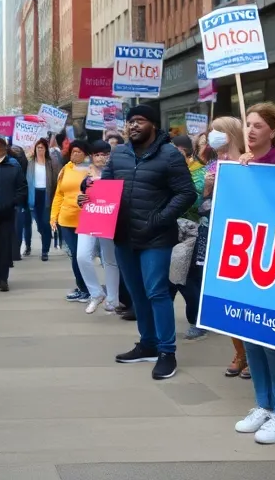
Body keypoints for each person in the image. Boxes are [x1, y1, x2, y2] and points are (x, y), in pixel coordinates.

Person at [101, 104, 197, 382]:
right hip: (123, 237)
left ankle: (167, 351)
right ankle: (148, 344)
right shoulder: (118, 154)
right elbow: (106, 185)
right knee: (137, 293)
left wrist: (160, 219)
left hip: (155, 237)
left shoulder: (169, 155)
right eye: (129, 121)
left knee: (156, 292)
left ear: (153, 124)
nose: (132, 126)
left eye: (139, 121)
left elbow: (186, 193)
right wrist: (88, 193)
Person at [231, 102, 275, 444]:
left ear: (273, 131)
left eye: (258, 125)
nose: (251, 129)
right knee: (251, 336)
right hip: (247, 261)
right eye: (247, 124)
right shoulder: (244, 166)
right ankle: (263, 403)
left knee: (273, 339)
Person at [202, 117, 251, 379]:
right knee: (228, 299)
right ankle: (240, 352)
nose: (212, 136)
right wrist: (209, 188)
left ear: (230, 133)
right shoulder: (212, 164)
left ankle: (254, 355)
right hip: (221, 236)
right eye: (210, 131)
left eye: (216, 131)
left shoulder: (249, 161)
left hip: (247, 238)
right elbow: (204, 204)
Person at [76, 140, 121, 314]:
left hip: (109, 218)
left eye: (105, 154)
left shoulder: (117, 173)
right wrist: (80, 200)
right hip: (90, 217)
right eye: (97, 154)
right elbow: (82, 197)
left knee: (109, 259)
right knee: (81, 256)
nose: (101, 158)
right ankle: (96, 293)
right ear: (91, 156)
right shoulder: (86, 177)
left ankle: (113, 299)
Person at [169, 134, 205, 340]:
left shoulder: (199, 174)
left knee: (185, 279)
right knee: (170, 280)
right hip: (170, 231)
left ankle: (197, 319)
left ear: (187, 155)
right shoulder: (169, 171)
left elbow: (194, 199)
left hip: (191, 233)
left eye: (177, 153)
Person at [51, 140, 93, 301]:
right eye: (73, 151)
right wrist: (53, 216)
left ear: (86, 153)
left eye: (79, 151)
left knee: (81, 256)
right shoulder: (65, 169)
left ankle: (87, 288)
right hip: (66, 219)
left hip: (85, 218)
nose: (76, 154)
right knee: (75, 255)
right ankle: (82, 287)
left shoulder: (90, 170)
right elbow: (59, 194)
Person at [0, 136, 28, 291]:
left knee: (4, 246)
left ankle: (3, 278)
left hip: (7, 213)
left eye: (0, 146)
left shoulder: (14, 166)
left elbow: (22, 188)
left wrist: (13, 203)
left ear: (5, 148)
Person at [28, 138, 60, 261]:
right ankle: (46, 237)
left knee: (46, 223)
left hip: (47, 195)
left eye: (42, 147)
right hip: (34, 195)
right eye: (38, 147)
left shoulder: (50, 163)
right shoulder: (30, 162)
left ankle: (45, 251)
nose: (40, 149)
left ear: (46, 149)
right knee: (39, 225)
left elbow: (56, 180)